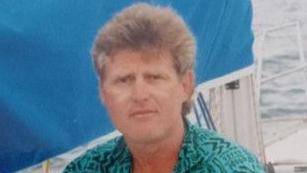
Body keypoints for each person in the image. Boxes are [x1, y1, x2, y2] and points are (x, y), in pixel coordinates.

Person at [63, 3, 265, 173]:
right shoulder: (85, 169)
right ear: (103, 93)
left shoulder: (233, 168)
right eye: (124, 80)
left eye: (154, 77)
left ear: (185, 85)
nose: (139, 95)